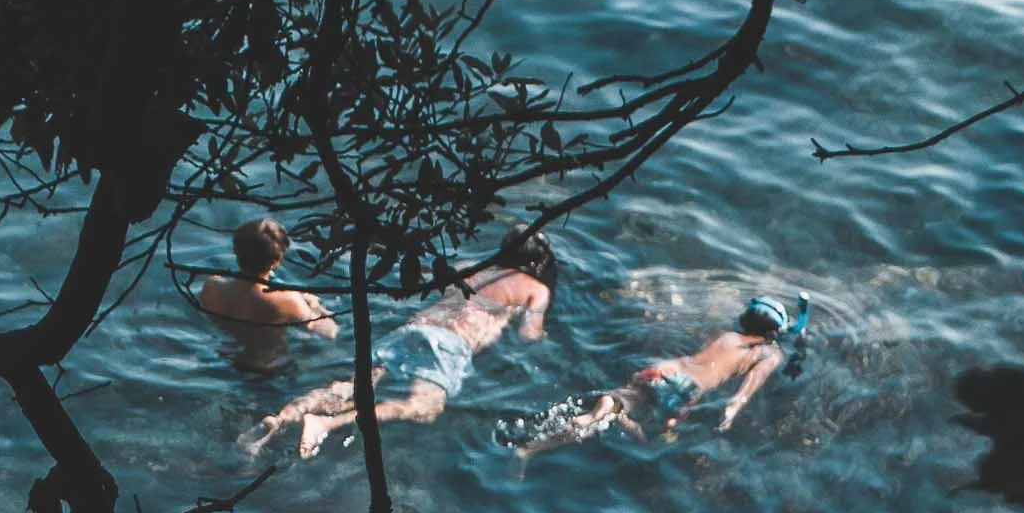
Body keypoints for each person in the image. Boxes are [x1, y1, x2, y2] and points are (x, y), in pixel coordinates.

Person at [246, 227, 555, 459]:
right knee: (424, 407)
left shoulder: (468, 265)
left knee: (350, 388)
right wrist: (541, 335)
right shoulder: (535, 289)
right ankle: (326, 424)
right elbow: (529, 335)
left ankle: (280, 417)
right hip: (450, 343)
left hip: (415, 326)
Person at [498, 292, 805, 457]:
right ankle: (623, 422)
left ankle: (531, 447)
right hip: (686, 389)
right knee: (658, 441)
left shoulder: (725, 334)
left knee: (604, 408)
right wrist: (733, 408)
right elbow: (749, 386)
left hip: (664, 368)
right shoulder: (769, 353)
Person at [200, 217, 337, 337]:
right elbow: (330, 332)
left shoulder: (212, 286)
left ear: (235, 250)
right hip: (270, 363)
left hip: (225, 357)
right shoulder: (289, 300)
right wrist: (314, 306)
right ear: (276, 261)